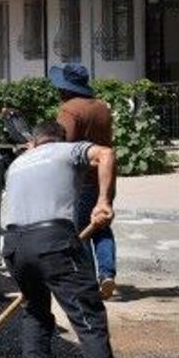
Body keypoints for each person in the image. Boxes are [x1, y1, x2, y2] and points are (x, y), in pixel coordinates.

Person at [1, 121, 141, 358]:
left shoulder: (17, 164)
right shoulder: (67, 150)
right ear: (59, 139)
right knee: (89, 319)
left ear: (34, 142)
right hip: (53, 241)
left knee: (35, 311)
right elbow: (106, 154)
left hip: (14, 246)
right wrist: (104, 201)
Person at [51, 63, 118, 300]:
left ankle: (89, 281)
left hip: (81, 180)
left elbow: (62, 144)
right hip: (105, 176)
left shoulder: (69, 110)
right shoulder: (102, 107)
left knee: (81, 230)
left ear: (65, 88)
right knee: (101, 224)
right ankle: (107, 273)